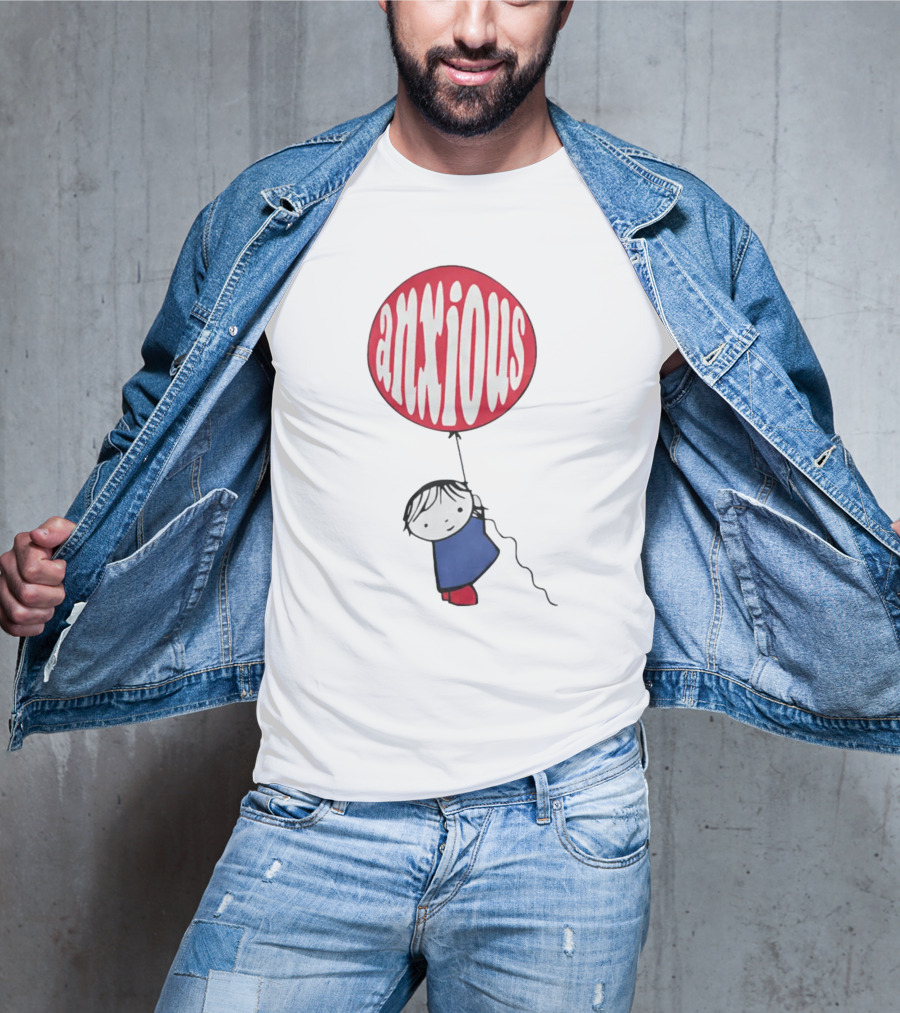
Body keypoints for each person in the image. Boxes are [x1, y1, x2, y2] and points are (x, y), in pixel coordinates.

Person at [2, 3, 899, 1011]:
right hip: (315, 810)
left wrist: (870, 561)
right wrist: (67, 570)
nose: (473, 26)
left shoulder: (676, 234)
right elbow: (156, 434)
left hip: (565, 828)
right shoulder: (271, 220)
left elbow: (790, 463)